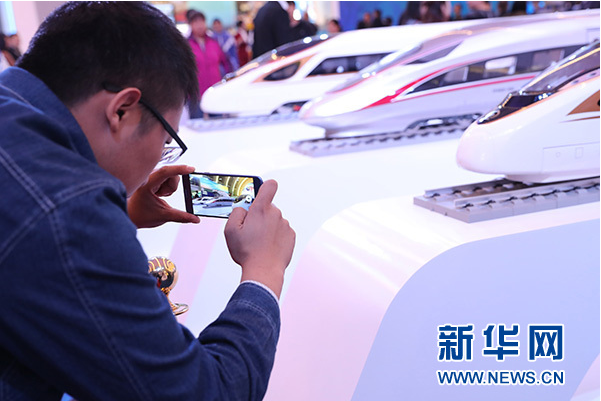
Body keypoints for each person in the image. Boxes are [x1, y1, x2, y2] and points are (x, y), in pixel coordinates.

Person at [0, 2, 295, 400]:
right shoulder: (68, 210)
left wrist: (122, 214)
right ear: (122, 110)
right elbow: (204, 393)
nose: (160, 157)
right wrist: (264, 272)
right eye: (166, 140)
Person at [187, 10, 232, 118]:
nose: (199, 25)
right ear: (191, 25)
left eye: (201, 21)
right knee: (196, 124)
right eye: (196, 22)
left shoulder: (214, 42)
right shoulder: (186, 45)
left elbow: (226, 63)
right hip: (195, 95)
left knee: (217, 123)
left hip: (214, 93)